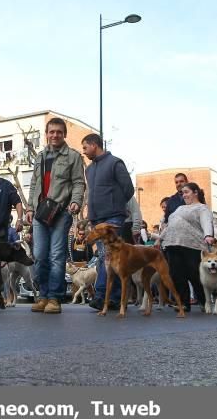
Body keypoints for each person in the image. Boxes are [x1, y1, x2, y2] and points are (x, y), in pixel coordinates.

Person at [26, 117, 86, 315]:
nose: (55, 135)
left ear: (64, 134)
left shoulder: (73, 156)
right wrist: (29, 208)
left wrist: (75, 202)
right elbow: (34, 184)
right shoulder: (40, 156)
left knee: (56, 255)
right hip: (39, 213)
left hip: (60, 212)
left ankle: (54, 298)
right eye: (51, 132)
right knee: (40, 255)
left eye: (59, 132)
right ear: (47, 134)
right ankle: (43, 296)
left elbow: (78, 182)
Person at [80, 133, 135, 311]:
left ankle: (101, 294)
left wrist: (116, 205)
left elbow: (128, 188)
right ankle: (115, 297)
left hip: (113, 218)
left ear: (94, 145)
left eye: (85, 147)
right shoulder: (89, 169)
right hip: (96, 220)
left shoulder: (115, 163)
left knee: (107, 256)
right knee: (108, 258)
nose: (84, 151)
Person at [159, 182, 216, 312]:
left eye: (187, 192)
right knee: (176, 274)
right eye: (183, 193)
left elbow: (206, 221)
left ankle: (204, 301)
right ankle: (184, 303)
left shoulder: (202, 208)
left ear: (195, 192)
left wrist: (208, 235)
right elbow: (170, 224)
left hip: (192, 245)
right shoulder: (179, 209)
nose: (184, 195)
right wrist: (159, 239)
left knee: (194, 274)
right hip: (172, 243)